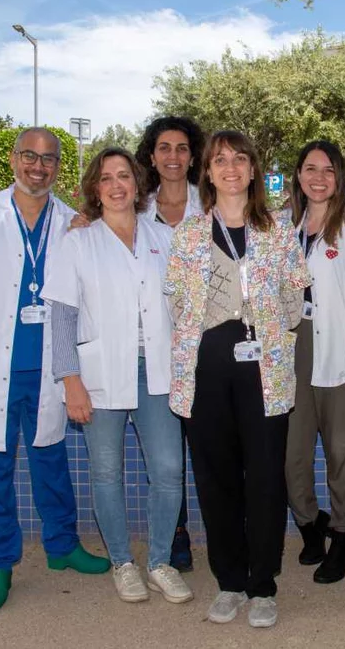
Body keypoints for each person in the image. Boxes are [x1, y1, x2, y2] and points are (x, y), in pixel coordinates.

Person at [0, 127, 110, 613]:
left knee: (51, 461)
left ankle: (62, 546)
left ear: (59, 166)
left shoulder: (73, 222)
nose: (39, 166)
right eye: (29, 156)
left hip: (50, 367)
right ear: (14, 159)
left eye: (49, 159)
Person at [164, 130, 310, 628]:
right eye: (219, 160)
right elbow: (178, 303)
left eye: (240, 159)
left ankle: (263, 584)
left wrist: (264, 330)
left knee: (266, 476)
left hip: (264, 366)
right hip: (206, 367)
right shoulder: (187, 234)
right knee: (215, 477)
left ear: (253, 169)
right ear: (206, 171)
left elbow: (295, 299)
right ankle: (229, 581)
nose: (230, 168)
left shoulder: (280, 231)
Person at [41, 147, 192, 605]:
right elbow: (62, 315)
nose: (116, 185)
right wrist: (69, 379)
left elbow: (183, 305)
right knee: (107, 472)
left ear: (137, 183)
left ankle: (160, 561)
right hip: (100, 370)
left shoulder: (162, 237)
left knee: (168, 469)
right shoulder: (79, 241)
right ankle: (123, 564)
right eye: (106, 178)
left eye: (124, 175)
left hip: (156, 370)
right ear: (95, 187)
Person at [285, 140, 345, 584]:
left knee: (342, 451)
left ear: (338, 177)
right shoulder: (285, 224)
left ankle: (343, 536)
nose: (318, 178)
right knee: (291, 454)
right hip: (294, 350)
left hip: (344, 344)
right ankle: (309, 525)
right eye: (309, 169)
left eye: (327, 170)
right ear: (298, 175)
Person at [134, 115, 207, 572]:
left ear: (193, 155)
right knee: (167, 455)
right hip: (156, 349)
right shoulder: (134, 209)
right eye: (165, 147)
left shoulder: (213, 205)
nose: (174, 156)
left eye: (182, 148)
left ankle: (220, 530)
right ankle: (176, 532)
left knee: (208, 445)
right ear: (152, 155)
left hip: (208, 348)